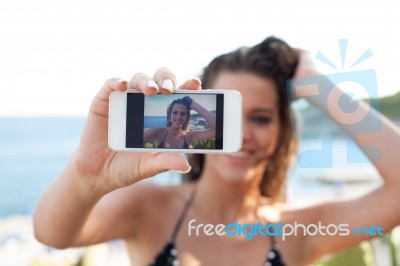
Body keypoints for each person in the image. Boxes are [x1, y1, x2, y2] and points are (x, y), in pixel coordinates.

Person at [33, 37, 400, 266]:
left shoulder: (297, 228)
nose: (240, 134)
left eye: (260, 118)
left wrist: (318, 87)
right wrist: (86, 173)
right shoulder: (148, 207)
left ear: (281, 130)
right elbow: (52, 234)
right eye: (226, 116)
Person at [143, 96, 216, 149]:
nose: (178, 117)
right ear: (169, 114)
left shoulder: (190, 136)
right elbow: (133, 142)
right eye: (175, 112)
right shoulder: (157, 132)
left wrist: (195, 105)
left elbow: (217, 129)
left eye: (183, 114)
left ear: (187, 117)